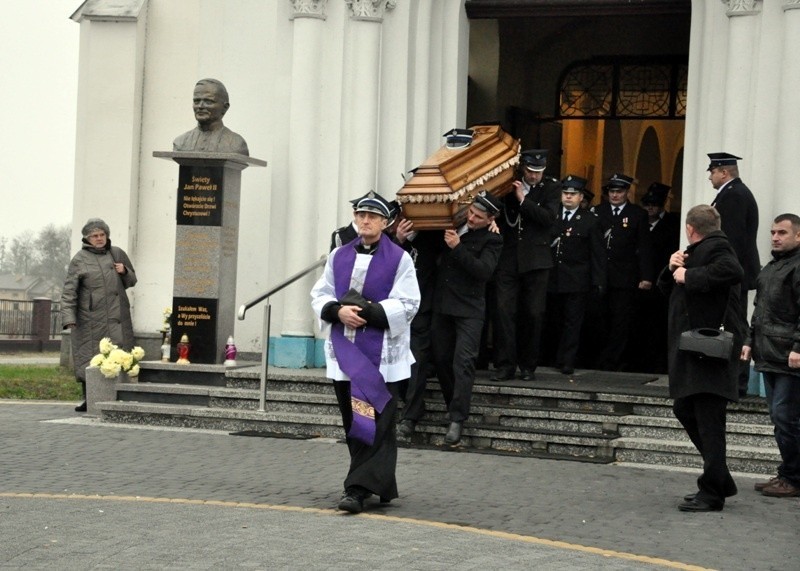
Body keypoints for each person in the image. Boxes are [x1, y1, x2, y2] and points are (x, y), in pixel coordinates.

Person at [310, 192, 420, 514]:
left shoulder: (400, 259)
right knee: (353, 419)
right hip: (346, 354)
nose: (365, 221)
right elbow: (320, 293)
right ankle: (382, 482)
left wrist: (369, 312)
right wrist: (336, 312)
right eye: (361, 215)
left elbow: (409, 303)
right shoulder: (338, 256)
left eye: (373, 216)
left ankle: (356, 489)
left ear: (386, 223)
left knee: (377, 421)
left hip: (383, 356)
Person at [657, 204, 744, 512]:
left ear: (690, 228)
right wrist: (672, 269)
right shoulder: (700, 248)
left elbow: (733, 271)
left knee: (709, 422)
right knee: (685, 408)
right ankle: (720, 478)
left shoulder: (717, 246)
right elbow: (665, 287)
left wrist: (688, 275)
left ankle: (712, 493)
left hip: (708, 352)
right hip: (697, 352)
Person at [431, 191, 503, 445]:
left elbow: (483, 271)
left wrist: (458, 248)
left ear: (490, 218)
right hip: (443, 305)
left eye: (478, 216)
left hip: (469, 309)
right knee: (440, 359)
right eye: (471, 212)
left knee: (463, 363)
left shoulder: (492, 240)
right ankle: (453, 403)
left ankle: (457, 419)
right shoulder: (454, 224)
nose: (471, 218)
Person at [741, 213, 800, 498]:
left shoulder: (797, 267)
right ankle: (787, 473)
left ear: (798, 236)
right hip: (769, 353)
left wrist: (799, 348)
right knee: (780, 419)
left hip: (789, 356)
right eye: (773, 233)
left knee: (785, 417)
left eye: (782, 233)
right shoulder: (771, 268)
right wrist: (750, 341)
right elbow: (759, 310)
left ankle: (794, 477)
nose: (775, 237)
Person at [492, 149, 561, 381]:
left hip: (536, 260)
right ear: (523, 168)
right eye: (530, 172)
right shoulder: (508, 186)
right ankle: (505, 364)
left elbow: (548, 218)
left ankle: (528, 365)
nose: (534, 177)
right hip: (509, 258)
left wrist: (523, 199)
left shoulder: (551, 188)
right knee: (504, 311)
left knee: (533, 313)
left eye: (538, 172)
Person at [61, 218, 137, 412]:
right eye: (94, 236)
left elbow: (132, 281)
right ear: (87, 238)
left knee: (119, 355)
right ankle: (89, 398)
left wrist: (124, 271)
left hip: (117, 315)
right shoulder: (80, 259)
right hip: (90, 319)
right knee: (90, 357)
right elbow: (69, 291)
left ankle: (120, 396)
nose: (99, 238)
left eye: (102, 235)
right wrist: (69, 318)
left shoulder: (117, 253)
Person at [707, 152, 760, 395]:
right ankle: (730, 379)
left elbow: (734, 239)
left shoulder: (735, 195)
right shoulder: (730, 193)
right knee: (731, 324)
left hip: (733, 274)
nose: (710, 176)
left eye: (713, 172)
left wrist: (724, 271)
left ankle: (738, 381)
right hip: (733, 272)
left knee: (735, 326)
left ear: (724, 172)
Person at [546, 176, 606, 375]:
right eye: (565, 193)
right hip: (553, 277)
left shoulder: (590, 220)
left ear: (581, 197)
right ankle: (551, 356)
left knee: (573, 321)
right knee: (553, 319)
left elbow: (597, 253)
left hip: (577, 279)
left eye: (573, 194)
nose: (568, 197)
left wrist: (598, 281)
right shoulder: (551, 214)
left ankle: (567, 360)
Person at [594, 173, 654, 371]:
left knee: (621, 320)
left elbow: (644, 247)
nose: (614, 195)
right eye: (611, 191)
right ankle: (601, 358)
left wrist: (646, 276)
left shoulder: (637, 214)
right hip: (601, 274)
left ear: (627, 192)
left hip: (625, 276)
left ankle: (615, 360)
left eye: (619, 191)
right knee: (601, 318)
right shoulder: (597, 211)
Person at [631, 182, 680, 373]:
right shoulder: (638, 221)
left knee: (657, 325)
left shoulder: (672, 224)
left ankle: (657, 362)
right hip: (639, 281)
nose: (650, 208)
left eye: (655, 204)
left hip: (662, 283)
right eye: (647, 204)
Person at [173, 78, 249, 155]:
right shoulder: (181, 142)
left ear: (225, 107)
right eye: (196, 101)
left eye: (208, 102)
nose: (200, 106)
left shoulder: (236, 144)